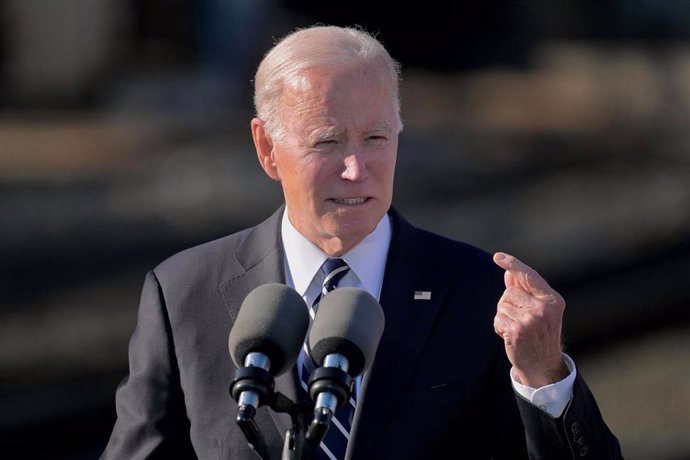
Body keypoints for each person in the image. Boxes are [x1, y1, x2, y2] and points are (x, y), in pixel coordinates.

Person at [102, 25, 622, 459]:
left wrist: (546, 378)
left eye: (376, 139)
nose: (357, 170)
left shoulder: (479, 294)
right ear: (267, 148)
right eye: (327, 142)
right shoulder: (183, 293)